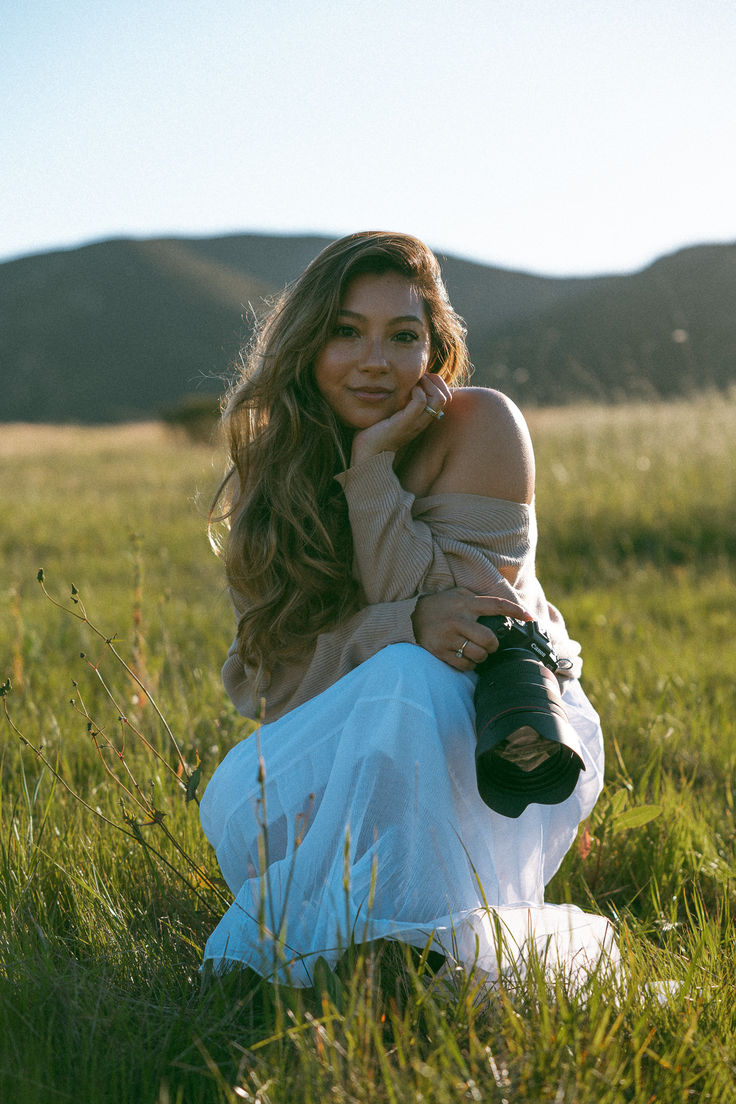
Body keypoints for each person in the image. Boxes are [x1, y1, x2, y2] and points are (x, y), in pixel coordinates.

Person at [200, 231, 616, 987]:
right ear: (306, 345)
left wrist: (371, 470)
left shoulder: (481, 425)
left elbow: (456, 633)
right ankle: (369, 950)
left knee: (408, 678)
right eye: (345, 332)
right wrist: (397, 630)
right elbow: (264, 682)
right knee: (241, 787)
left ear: (433, 351)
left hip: (502, 742)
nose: (375, 361)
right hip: (353, 733)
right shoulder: (276, 472)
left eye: (403, 337)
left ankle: (394, 960)